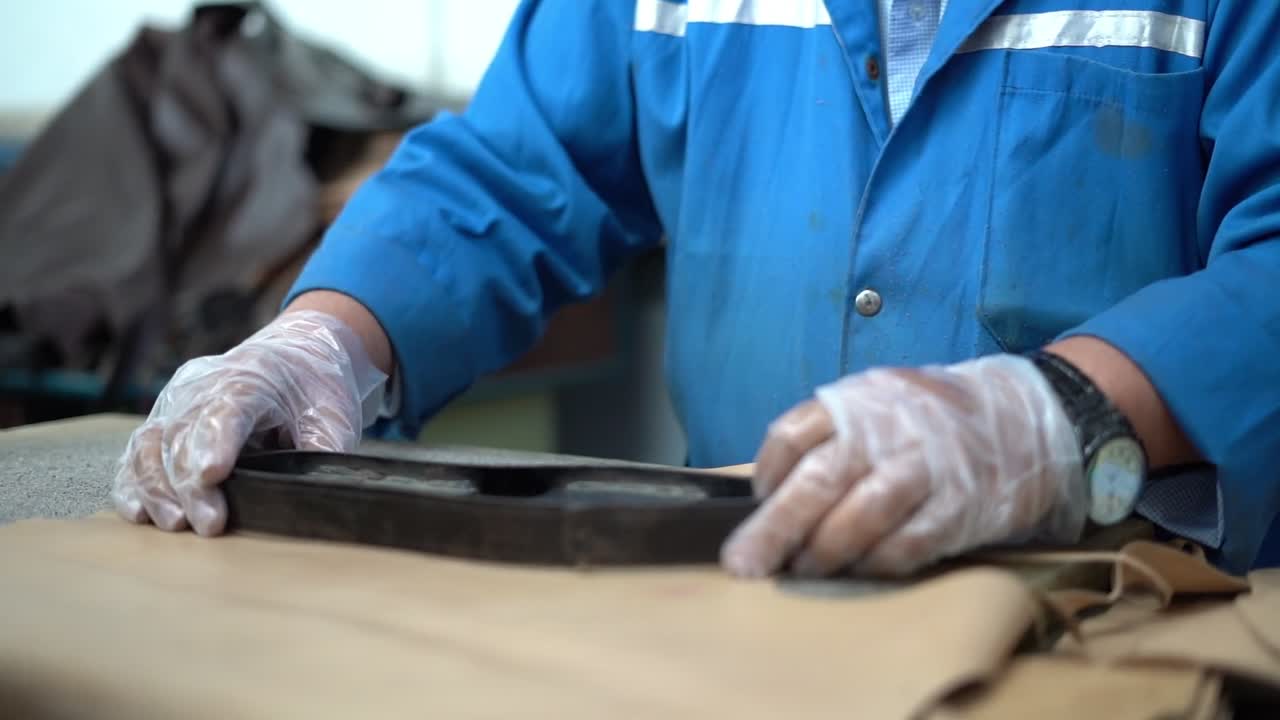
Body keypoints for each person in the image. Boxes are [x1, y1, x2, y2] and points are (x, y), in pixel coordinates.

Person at [109, 0, 1280, 576]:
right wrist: (324, 341)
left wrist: (1057, 419)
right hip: (738, 600)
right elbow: (525, 170)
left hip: (1106, 605)